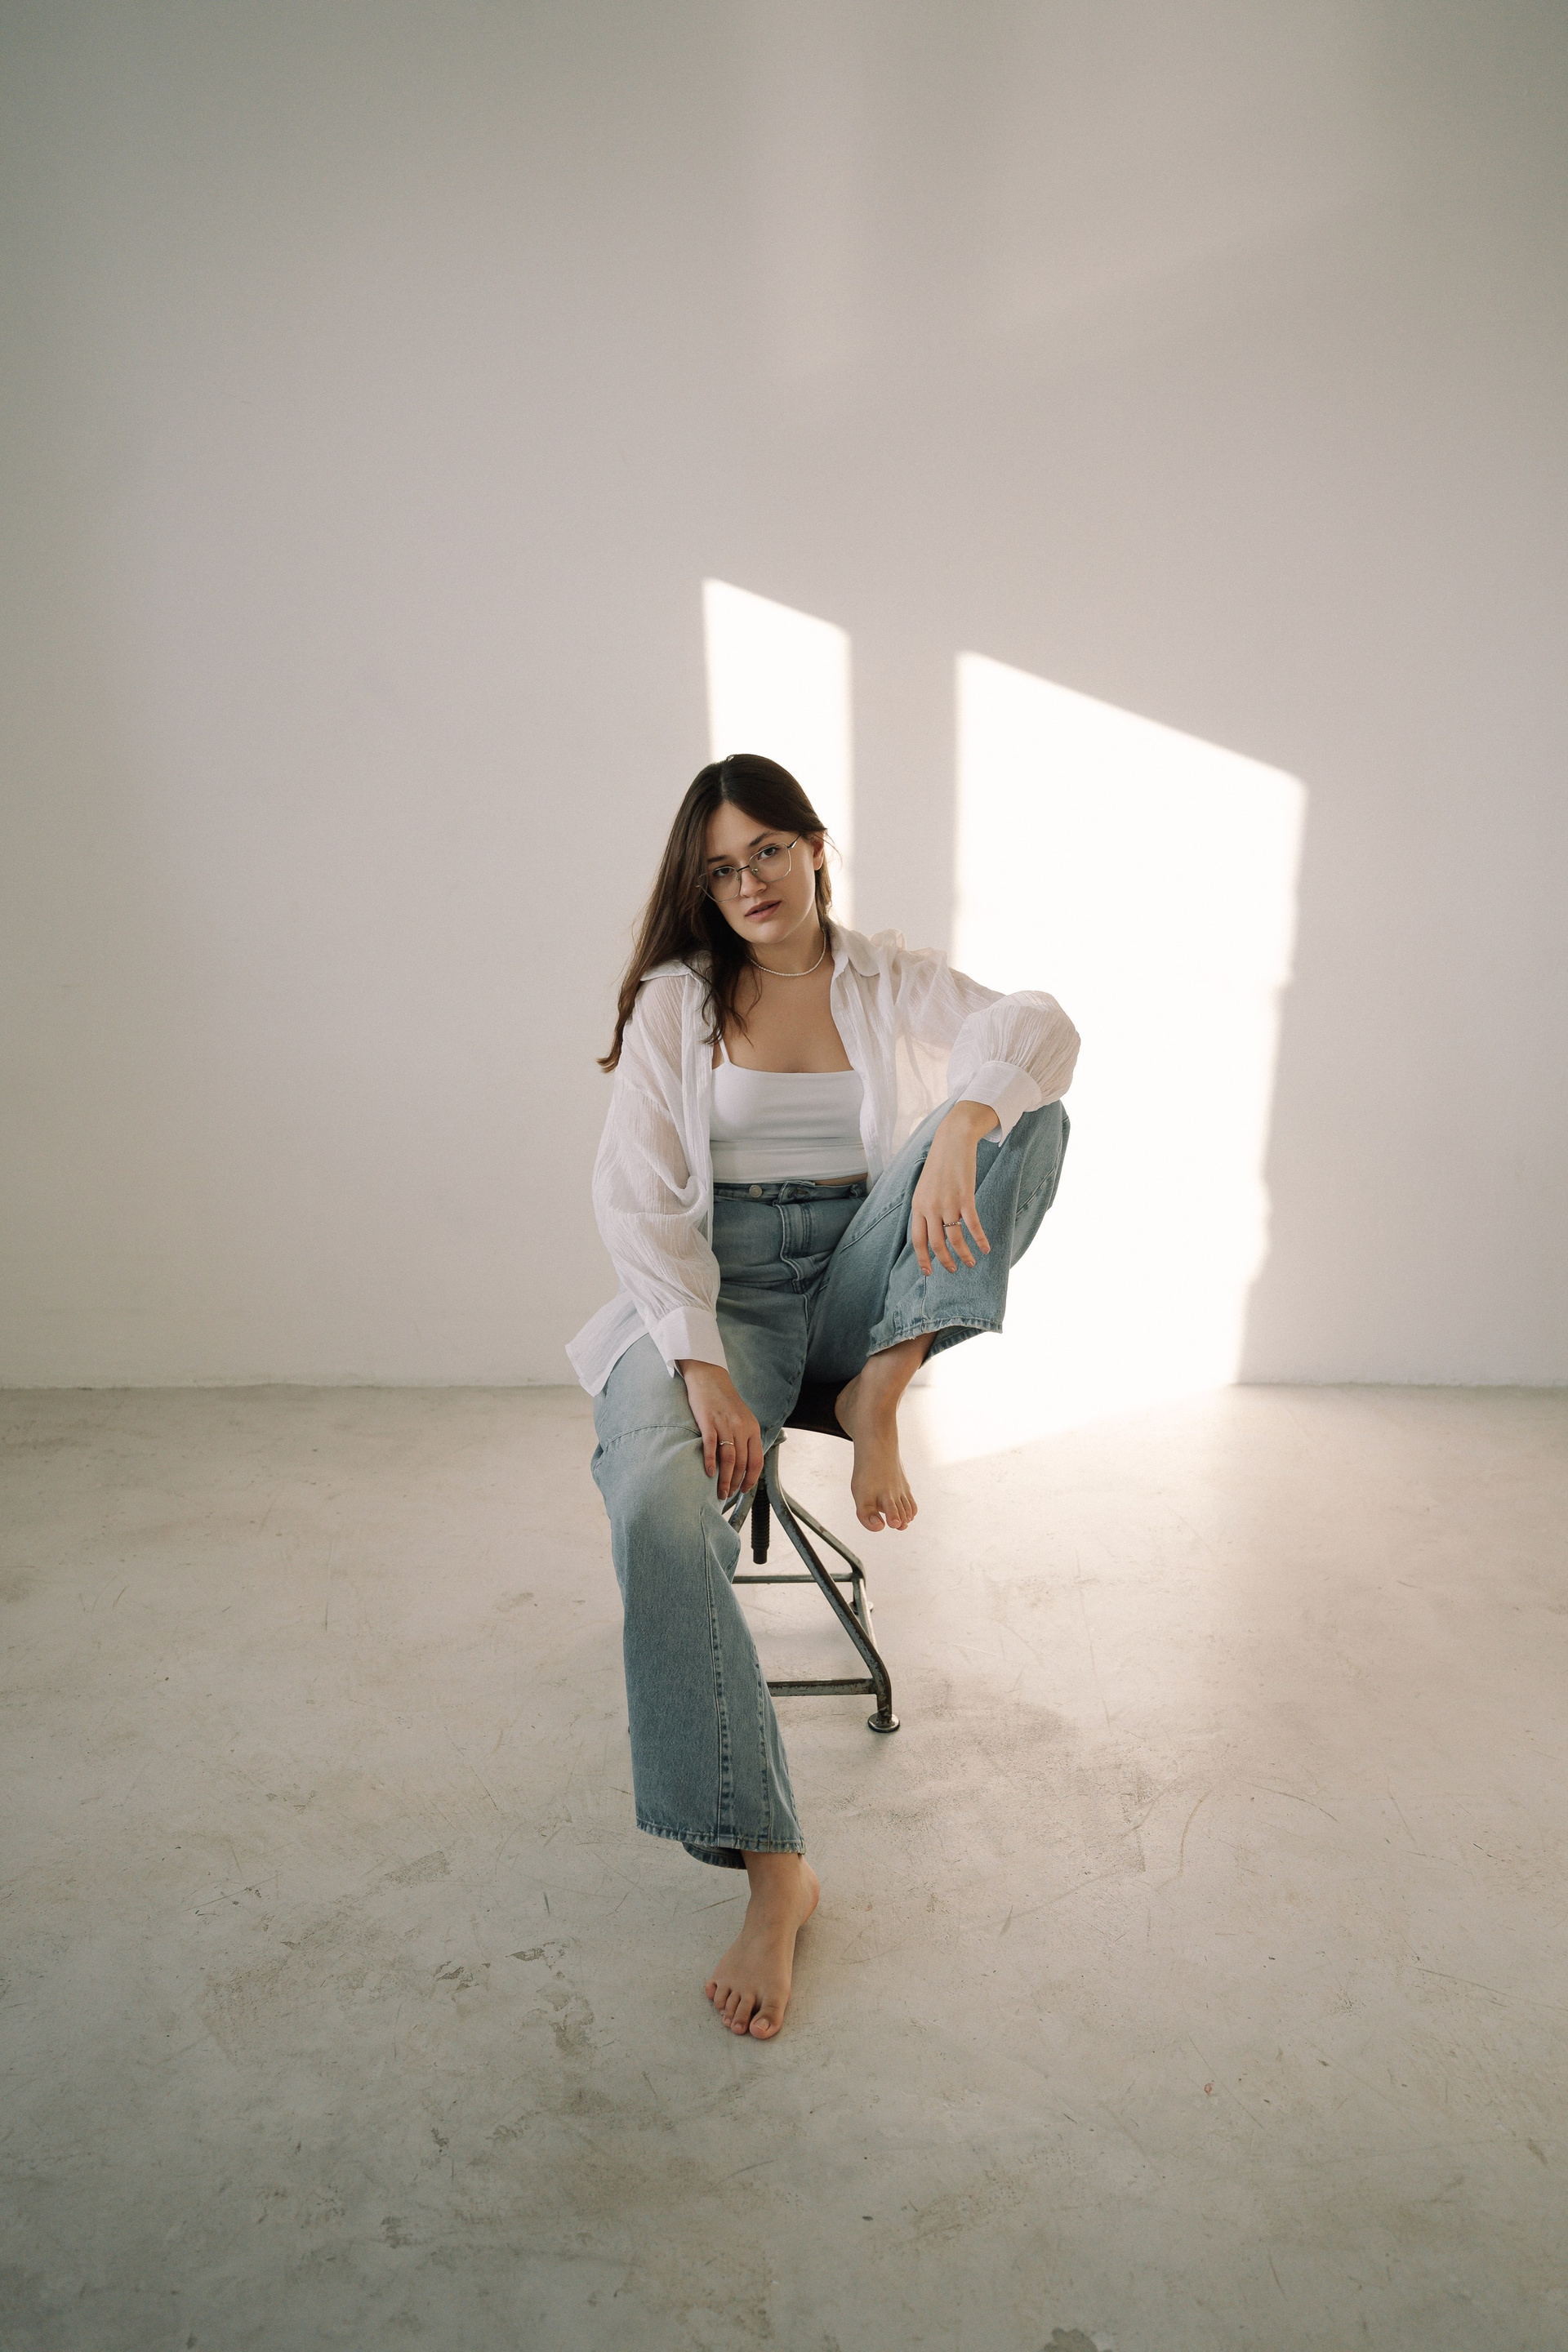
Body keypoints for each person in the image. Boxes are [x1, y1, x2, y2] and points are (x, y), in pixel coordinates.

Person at [568, 754, 1079, 2041]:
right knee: (652, 1498)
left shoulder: (885, 976)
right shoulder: (679, 1001)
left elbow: (1043, 1026)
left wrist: (961, 1121)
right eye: (720, 869)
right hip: (718, 1292)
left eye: (767, 852)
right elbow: (637, 1202)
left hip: (861, 1276)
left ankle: (878, 1392)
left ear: (812, 848)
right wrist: (698, 1363)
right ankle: (774, 1869)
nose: (748, 883)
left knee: (1030, 1114)